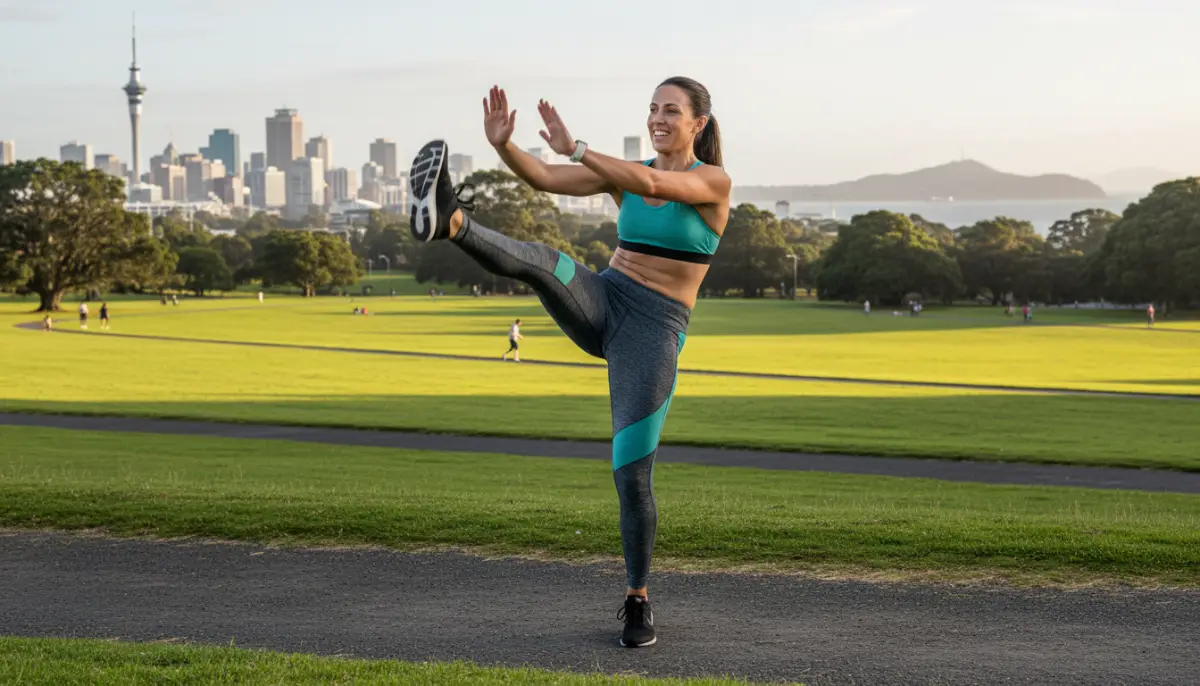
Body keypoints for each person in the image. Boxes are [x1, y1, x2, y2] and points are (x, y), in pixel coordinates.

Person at [407, 78, 731, 648]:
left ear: (698, 124)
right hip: (603, 299)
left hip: (653, 334)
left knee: (631, 474)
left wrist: (579, 147)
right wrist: (505, 146)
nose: (658, 117)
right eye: (652, 107)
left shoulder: (712, 183)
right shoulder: (622, 174)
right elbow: (548, 179)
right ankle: (451, 221)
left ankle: (638, 600)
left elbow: (655, 181)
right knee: (544, 261)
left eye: (671, 110)